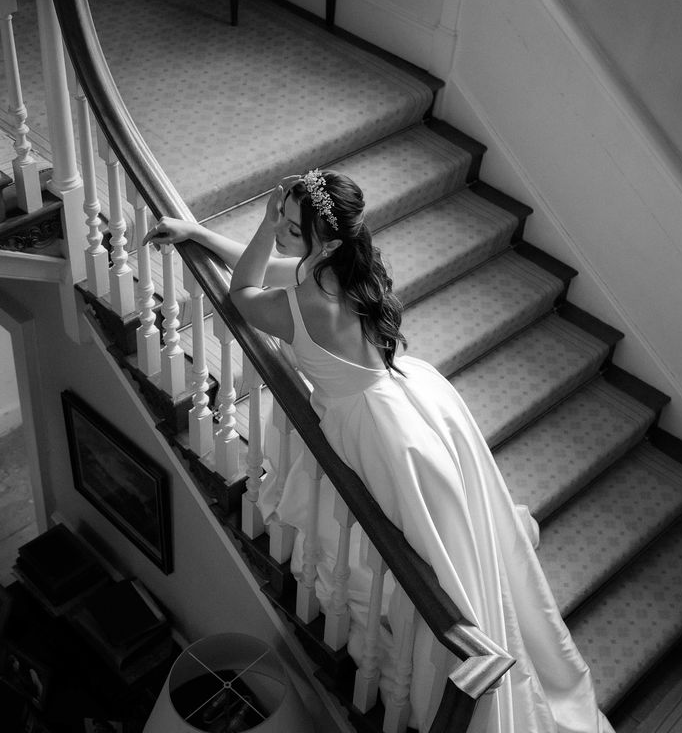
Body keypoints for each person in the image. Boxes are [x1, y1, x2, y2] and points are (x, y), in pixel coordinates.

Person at [144, 170, 614, 733]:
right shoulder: (336, 271)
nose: (283, 231)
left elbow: (243, 292)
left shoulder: (304, 303)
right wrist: (198, 231)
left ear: (330, 240)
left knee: (438, 563)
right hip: (409, 399)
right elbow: (276, 270)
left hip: (379, 433)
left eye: (295, 227)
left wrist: (266, 228)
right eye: (283, 222)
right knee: (449, 540)